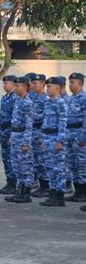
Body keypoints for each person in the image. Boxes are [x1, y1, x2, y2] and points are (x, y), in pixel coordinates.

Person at [5, 76, 34, 203]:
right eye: (15, 86)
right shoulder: (17, 100)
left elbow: (29, 124)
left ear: (26, 87)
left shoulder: (28, 102)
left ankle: (26, 194)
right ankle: (20, 191)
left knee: (25, 167)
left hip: (23, 137)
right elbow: (15, 122)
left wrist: (26, 142)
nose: (15, 88)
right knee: (17, 166)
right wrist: (12, 136)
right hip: (16, 136)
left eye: (18, 86)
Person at [39, 77, 67, 207]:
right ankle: (52, 194)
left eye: (50, 87)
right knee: (49, 168)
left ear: (57, 88)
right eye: (47, 86)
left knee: (58, 169)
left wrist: (60, 141)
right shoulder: (47, 102)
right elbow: (44, 121)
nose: (47, 89)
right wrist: (42, 138)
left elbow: (63, 123)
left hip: (56, 138)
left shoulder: (61, 103)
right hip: (47, 138)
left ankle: (59, 197)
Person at [64, 72, 86, 202]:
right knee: (72, 164)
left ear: (80, 83)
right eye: (69, 82)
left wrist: (84, 138)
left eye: (72, 82)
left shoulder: (84, 98)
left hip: (79, 135)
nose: (70, 85)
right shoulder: (71, 98)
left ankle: (83, 193)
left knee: (82, 165)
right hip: (70, 134)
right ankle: (77, 192)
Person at [29, 74, 49, 197]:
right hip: (31, 133)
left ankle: (46, 187)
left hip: (41, 132)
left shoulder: (46, 98)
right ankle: (40, 186)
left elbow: (45, 118)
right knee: (35, 161)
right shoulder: (31, 97)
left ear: (42, 84)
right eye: (32, 83)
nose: (33, 85)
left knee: (42, 162)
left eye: (35, 83)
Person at [0, 75, 17, 194]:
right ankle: (9, 182)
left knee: (11, 159)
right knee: (5, 158)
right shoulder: (5, 98)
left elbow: (15, 118)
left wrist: (12, 135)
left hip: (10, 131)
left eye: (6, 83)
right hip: (4, 131)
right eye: (3, 83)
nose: (4, 85)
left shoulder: (15, 98)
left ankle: (13, 184)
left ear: (13, 84)